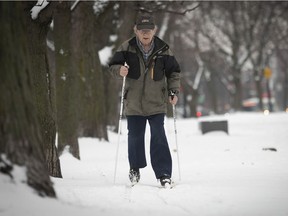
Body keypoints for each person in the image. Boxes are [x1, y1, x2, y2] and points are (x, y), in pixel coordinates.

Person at [109, 13, 181, 187]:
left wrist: (173, 91)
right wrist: (119, 70)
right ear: (136, 30)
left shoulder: (164, 49)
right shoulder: (127, 47)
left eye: (148, 30)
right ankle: (135, 168)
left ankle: (164, 173)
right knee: (135, 136)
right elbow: (112, 65)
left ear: (154, 30)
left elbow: (174, 72)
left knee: (159, 136)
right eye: (142, 30)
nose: (145, 33)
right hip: (133, 103)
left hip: (156, 102)